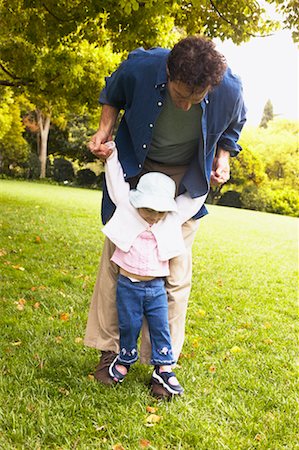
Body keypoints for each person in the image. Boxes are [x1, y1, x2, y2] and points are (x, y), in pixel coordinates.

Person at [84, 35, 246, 397]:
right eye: (179, 96)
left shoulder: (230, 89)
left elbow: (234, 126)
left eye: (197, 98)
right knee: (117, 261)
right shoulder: (142, 66)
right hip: (135, 169)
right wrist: (104, 130)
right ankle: (110, 351)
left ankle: (163, 362)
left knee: (174, 270)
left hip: (186, 179)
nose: (187, 106)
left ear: (212, 86)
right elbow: (113, 92)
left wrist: (223, 157)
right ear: (168, 72)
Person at [101, 141, 207, 394]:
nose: (154, 215)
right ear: (139, 201)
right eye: (149, 209)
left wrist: (209, 176)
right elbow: (116, 182)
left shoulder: (171, 217)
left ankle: (163, 368)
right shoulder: (128, 206)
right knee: (128, 325)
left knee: (160, 326)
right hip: (128, 286)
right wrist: (112, 154)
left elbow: (193, 201)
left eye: (160, 210)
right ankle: (125, 358)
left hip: (156, 288)